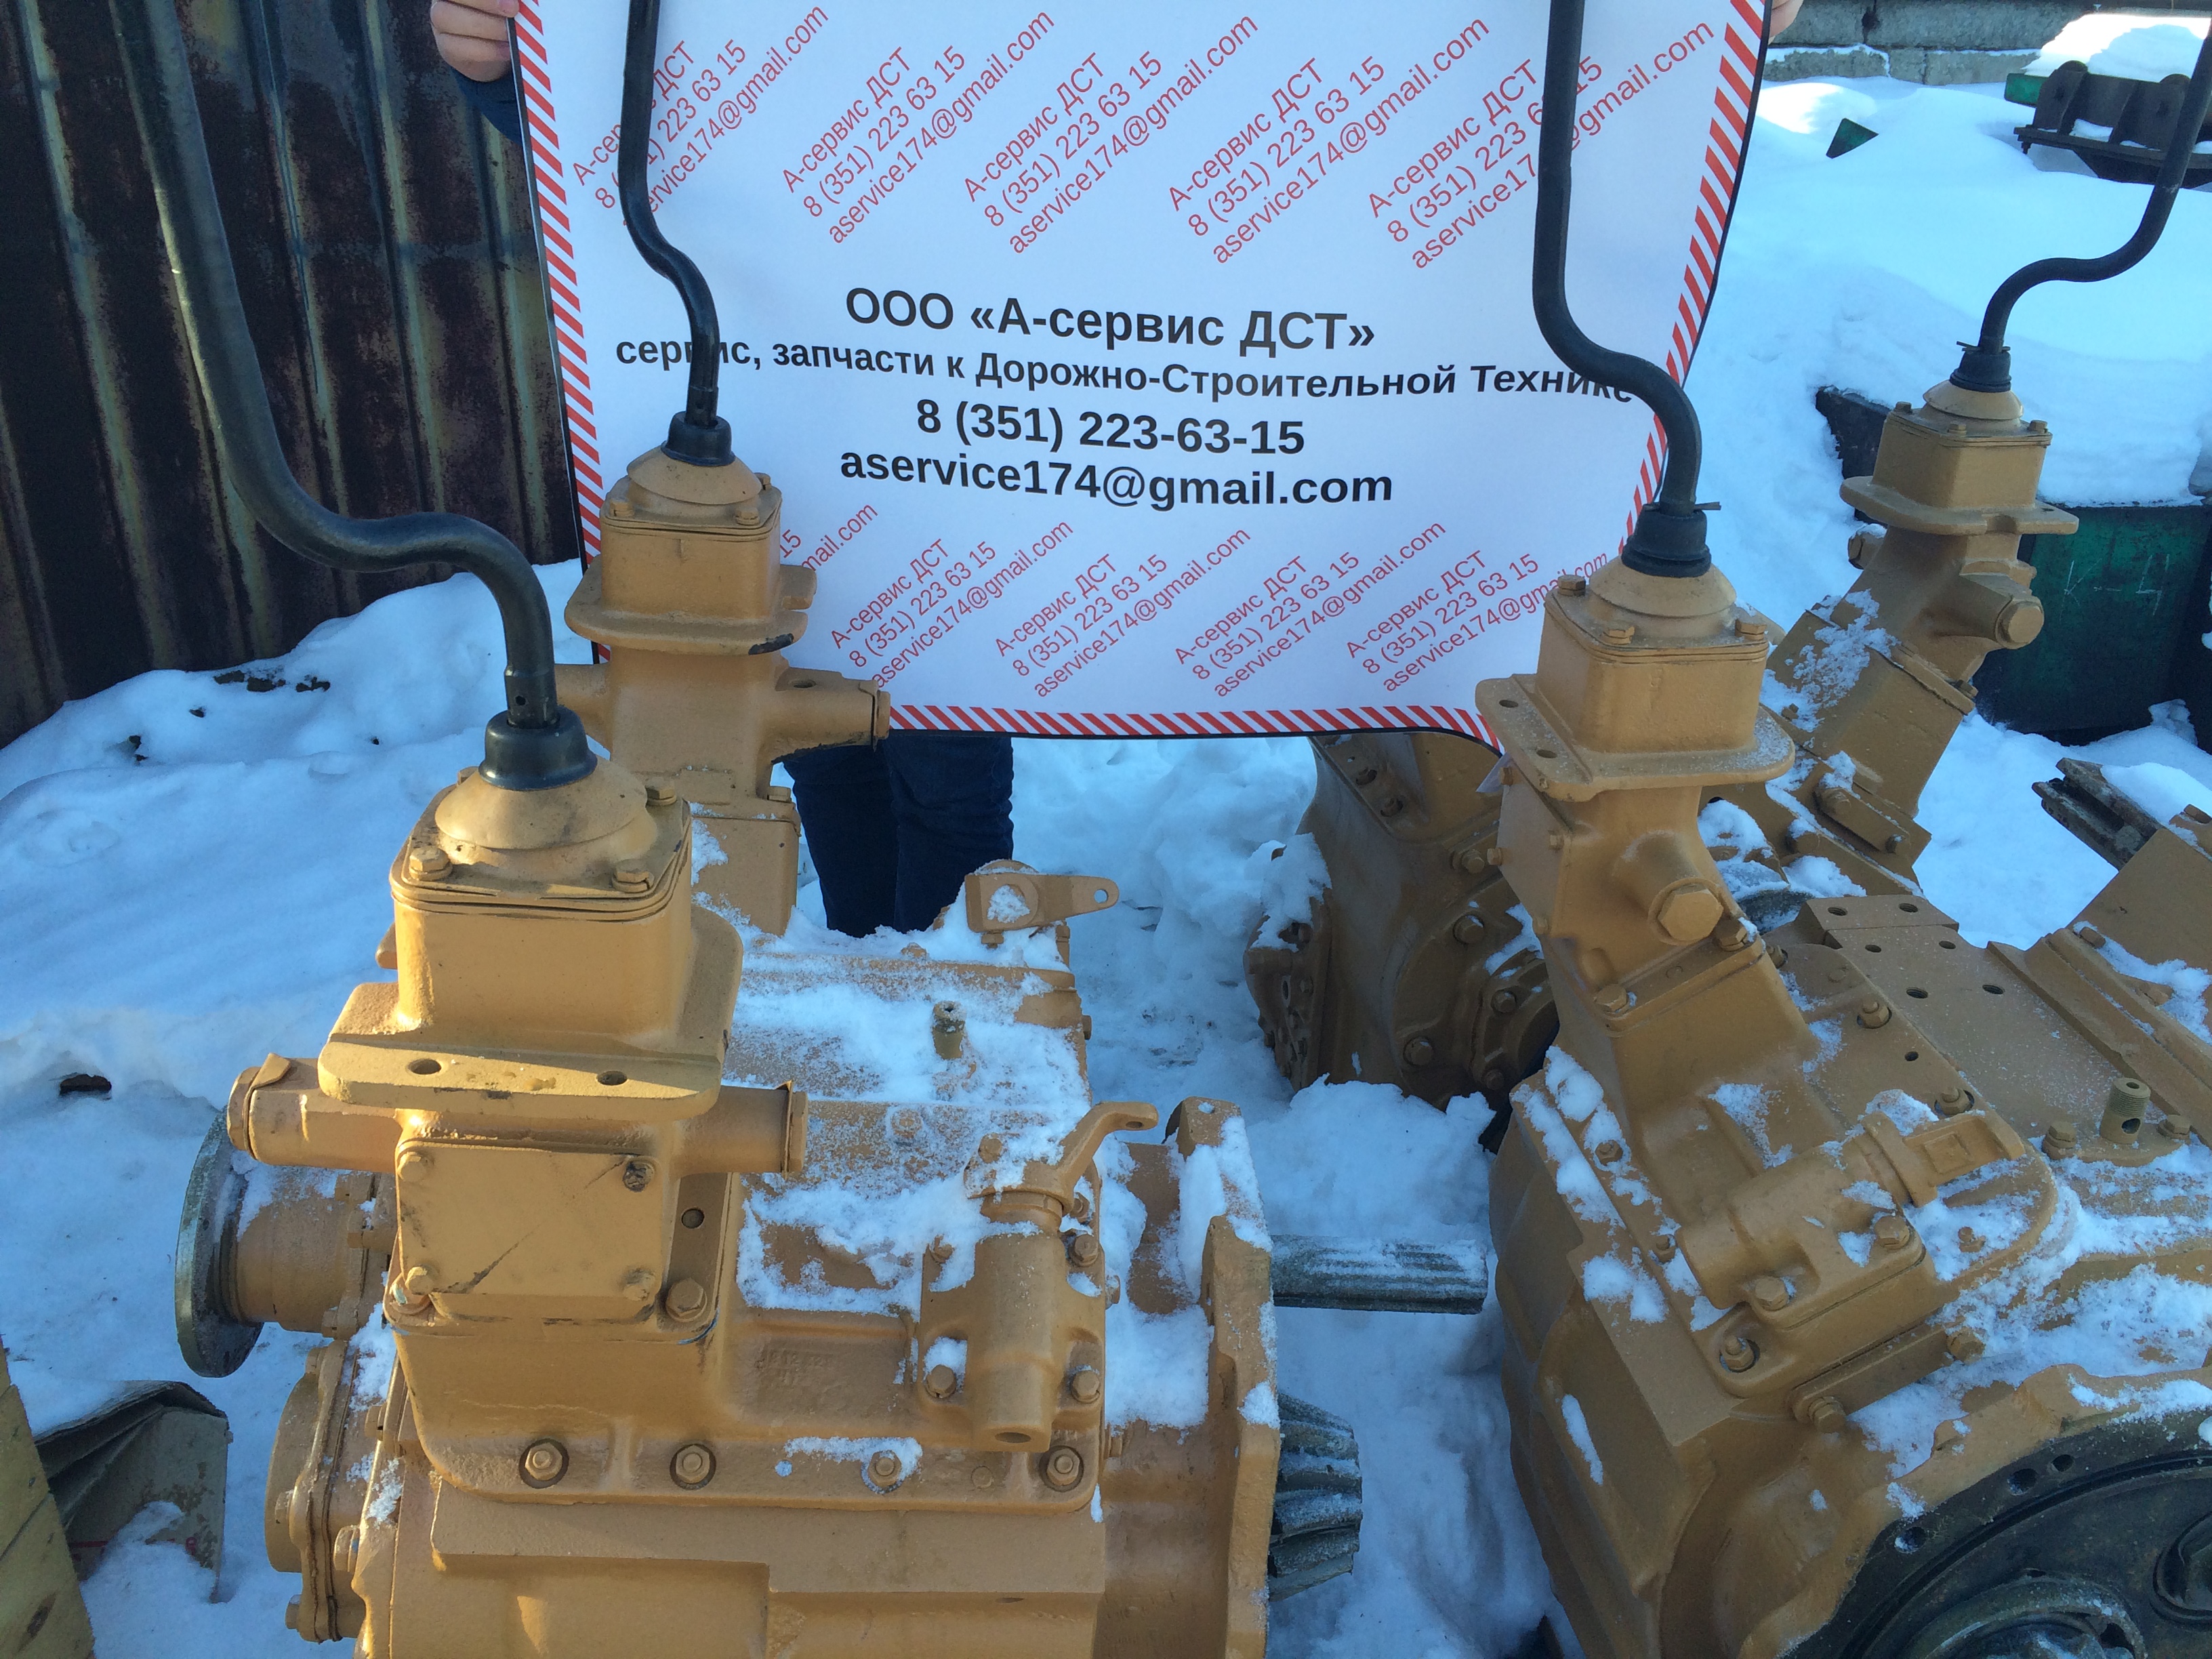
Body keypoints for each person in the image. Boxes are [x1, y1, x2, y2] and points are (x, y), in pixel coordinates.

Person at [431, 0, 1019, 938]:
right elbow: (617, 133)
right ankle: (863, 972)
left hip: (944, 469)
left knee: (947, 770)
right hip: (782, 425)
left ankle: (953, 1005)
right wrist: (503, 66)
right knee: (820, 747)